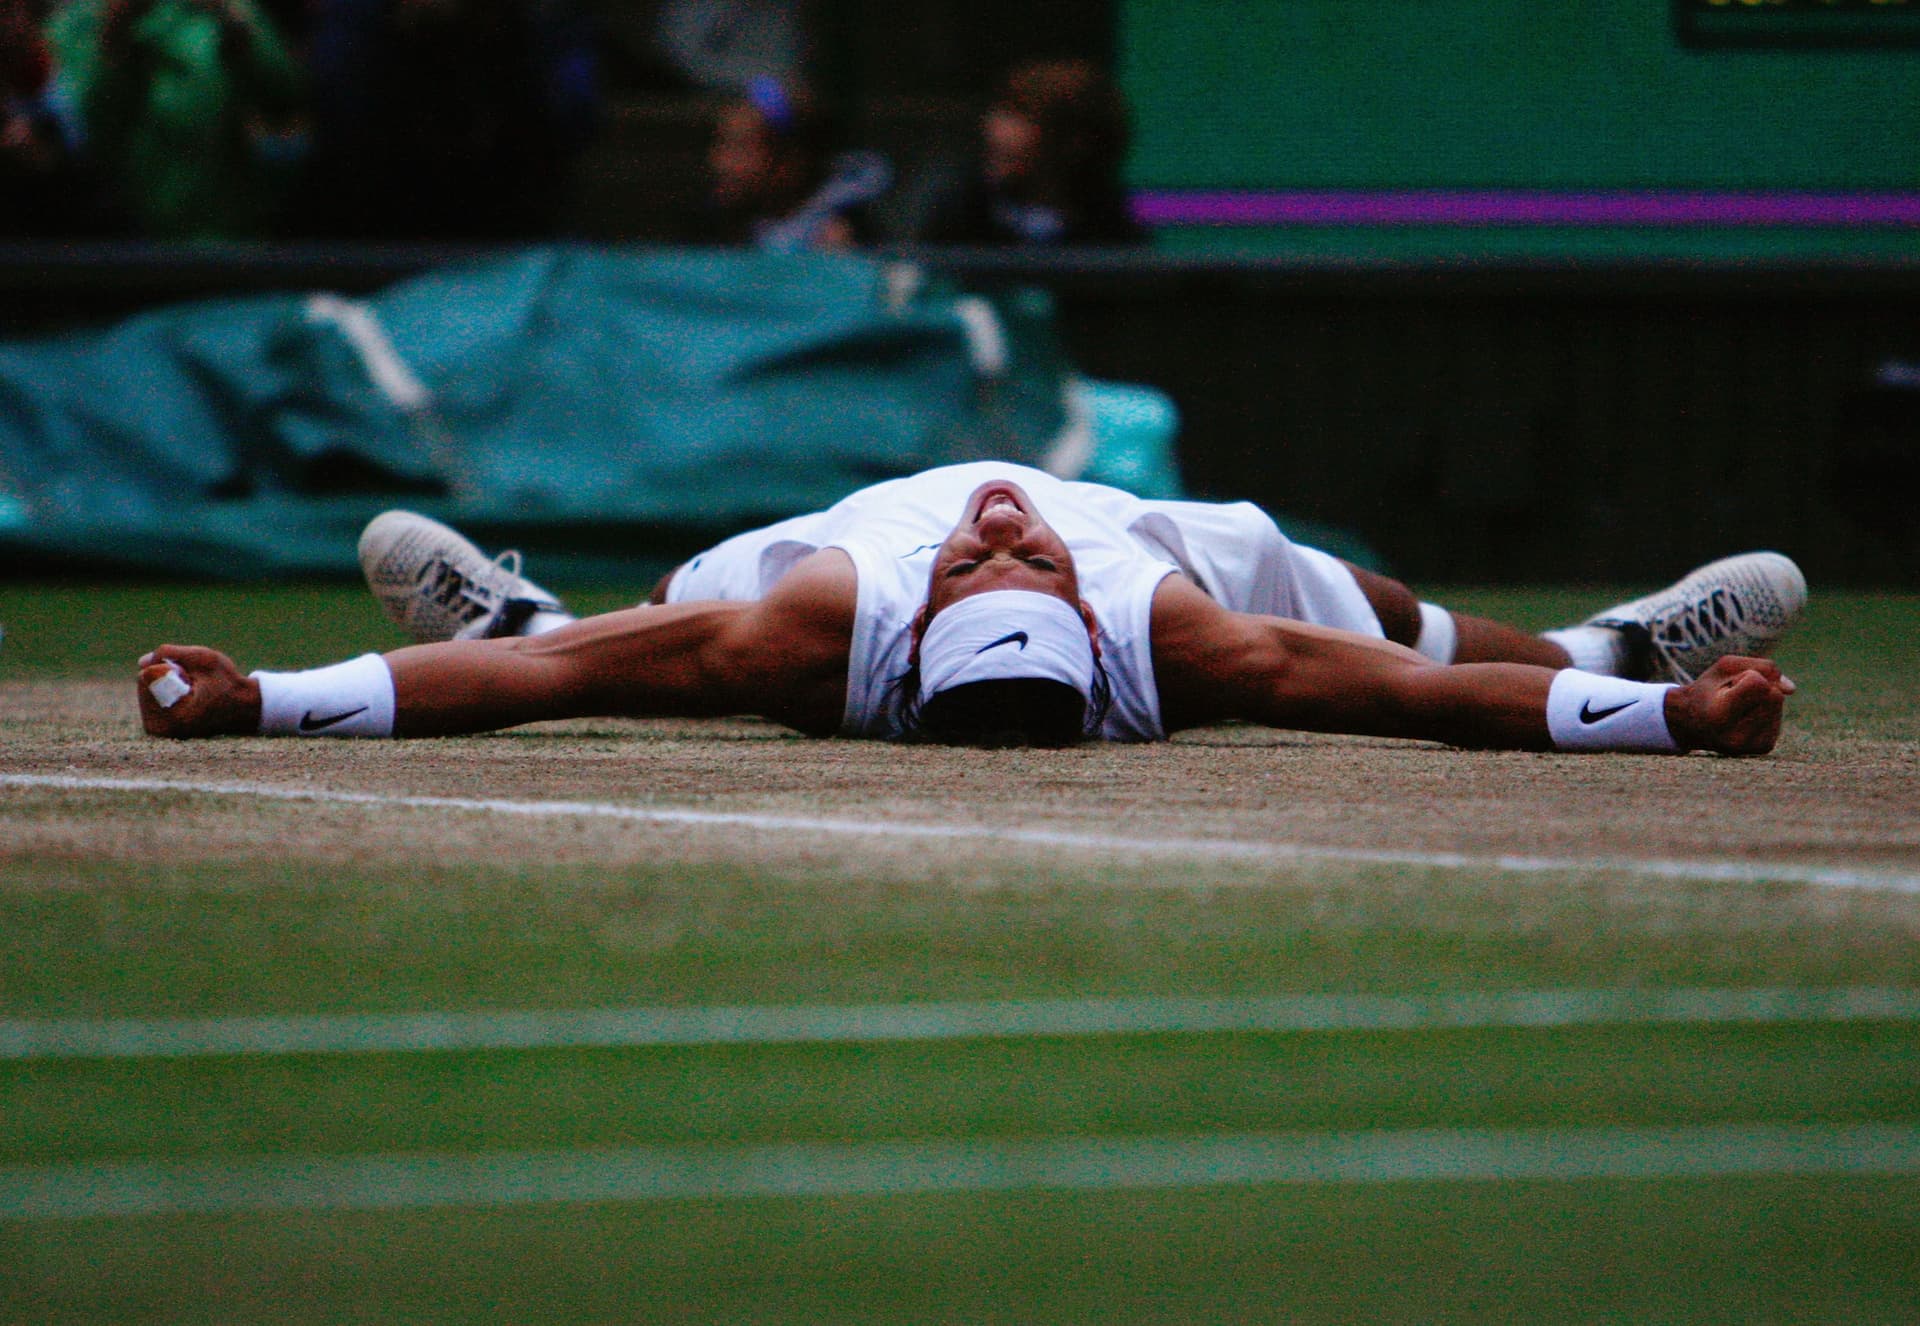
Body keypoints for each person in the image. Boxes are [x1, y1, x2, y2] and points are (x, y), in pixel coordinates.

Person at [138, 462, 1804, 756]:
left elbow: (577, 682)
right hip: (1145, 545)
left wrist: (263, 696)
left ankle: (505, 609)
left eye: (991, 566)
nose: (1002, 533)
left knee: (637, 624)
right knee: (1369, 619)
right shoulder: (1170, 634)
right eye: (1002, 567)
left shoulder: (821, 625)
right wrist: (1673, 721)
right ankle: (1619, 652)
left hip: (833, 549)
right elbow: (1402, 695)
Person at [889, 58, 1144, 248]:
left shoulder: (1114, 234)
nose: (994, 128)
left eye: (1019, 116)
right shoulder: (956, 213)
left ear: (1076, 142)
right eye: (1000, 112)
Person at [676, 74, 890, 251]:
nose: (718, 162)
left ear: (792, 160)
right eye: (719, 144)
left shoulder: (846, 240)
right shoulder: (709, 229)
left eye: (741, 148)